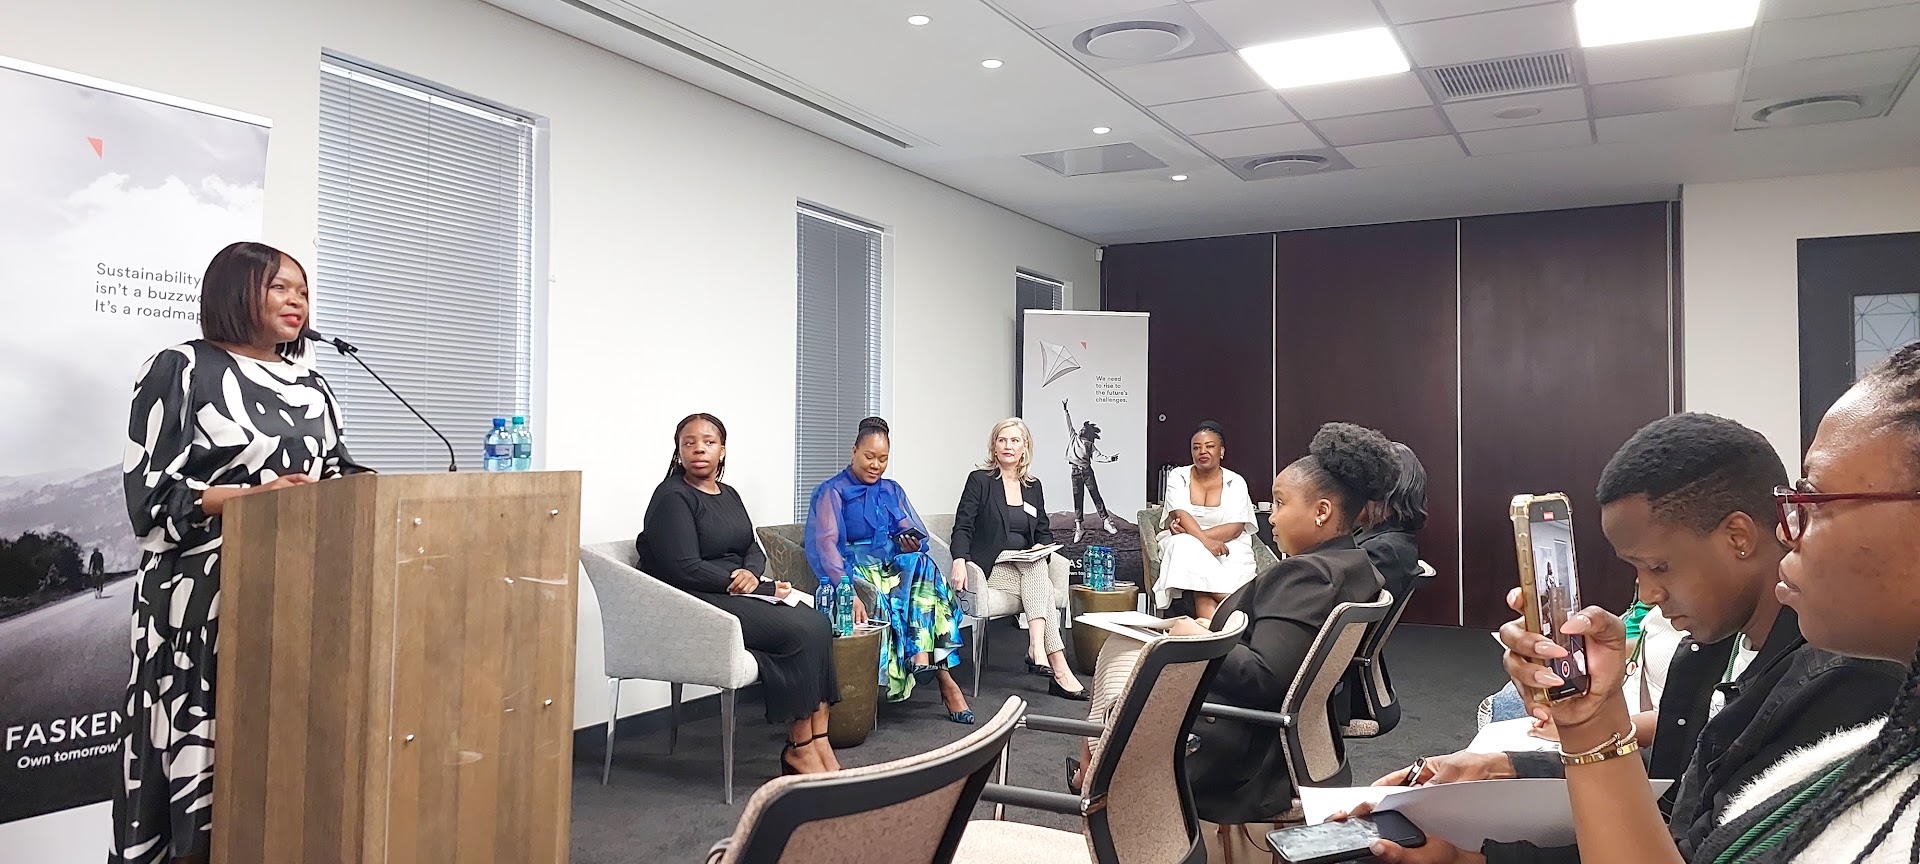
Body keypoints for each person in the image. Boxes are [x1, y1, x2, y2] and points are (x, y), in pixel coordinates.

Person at [1365, 413, 1904, 864]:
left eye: (1659, 567)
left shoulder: (1839, 685)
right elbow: (1669, 797)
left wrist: (1588, 729)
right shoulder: (1704, 653)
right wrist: (1496, 782)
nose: (1648, 594)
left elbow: (1684, 844)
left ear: (1738, 537)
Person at [114, 241, 368, 864]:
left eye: (303, 290)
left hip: (295, 595)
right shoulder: (182, 368)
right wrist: (253, 500)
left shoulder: (313, 384)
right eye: (280, 287)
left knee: (277, 757)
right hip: (200, 601)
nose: (297, 301)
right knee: (202, 755)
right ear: (236, 292)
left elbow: (337, 472)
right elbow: (151, 498)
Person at [1071, 423, 1394, 851]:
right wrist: (1213, 631)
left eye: (1280, 503)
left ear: (1321, 512)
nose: (1270, 517)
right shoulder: (1354, 566)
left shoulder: (1307, 576)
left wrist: (1197, 637)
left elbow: (1264, 676)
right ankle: (1093, 770)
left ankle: (1093, 777)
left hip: (1241, 751)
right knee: (1124, 649)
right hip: (1281, 738)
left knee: (1119, 653)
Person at [637, 413, 840, 775]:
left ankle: (819, 739)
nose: (699, 449)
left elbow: (752, 547)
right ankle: (799, 748)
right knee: (799, 630)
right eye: (689, 443)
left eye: (708, 442)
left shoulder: (728, 494)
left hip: (735, 591)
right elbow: (684, 568)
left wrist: (751, 573)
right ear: (678, 452)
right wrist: (757, 586)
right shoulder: (672, 496)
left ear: (723, 450)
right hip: (697, 598)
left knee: (819, 623)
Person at [804, 416, 973, 723]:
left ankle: (923, 657)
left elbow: (907, 531)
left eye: (883, 459)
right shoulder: (832, 491)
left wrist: (909, 543)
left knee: (921, 564)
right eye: (869, 457)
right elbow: (827, 546)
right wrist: (847, 590)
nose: (876, 465)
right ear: (854, 451)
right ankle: (944, 680)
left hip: (889, 565)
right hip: (855, 570)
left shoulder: (891, 490)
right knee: (908, 593)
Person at [950, 417, 1087, 699]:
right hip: (992, 565)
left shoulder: (1033, 486)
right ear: (994, 446)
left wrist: (1041, 547)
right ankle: (1053, 663)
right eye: (1002, 440)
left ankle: (1039, 650)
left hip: (1024, 564)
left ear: (1025, 447)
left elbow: (1043, 531)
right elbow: (963, 526)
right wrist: (959, 560)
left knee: (1037, 571)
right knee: (1042, 583)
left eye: (1014, 441)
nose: (1008, 446)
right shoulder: (980, 481)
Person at [1151, 420, 1259, 618]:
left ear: (1221, 451)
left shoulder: (1235, 481)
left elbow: (1235, 527)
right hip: (1186, 541)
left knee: (1198, 566)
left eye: (1209, 446)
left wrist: (1195, 537)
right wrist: (1205, 542)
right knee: (1182, 545)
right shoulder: (1178, 476)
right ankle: (1233, 603)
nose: (1202, 451)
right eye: (1196, 447)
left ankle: (1209, 631)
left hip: (1229, 542)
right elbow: (1180, 514)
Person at [1062, 400, 1118, 543]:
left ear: (1087, 433)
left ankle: (1106, 521)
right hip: (1075, 472)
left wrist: (1110, 459)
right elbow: (1069, 424)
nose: (1080, 430)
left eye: (1083, 429)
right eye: (1081, 428)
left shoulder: (1089, 444)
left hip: (1086, 472)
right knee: (1077, 498)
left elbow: (1098, 456)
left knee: (1095, 495)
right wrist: (1066, 410)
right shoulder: (1073, 438)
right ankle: (1079, 527)